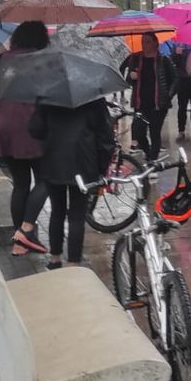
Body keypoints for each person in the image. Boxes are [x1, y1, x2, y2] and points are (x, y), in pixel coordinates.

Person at [0, 20, 50, 255]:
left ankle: (18, 241)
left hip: (5, 126)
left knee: (20, 184)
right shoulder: (43, 61)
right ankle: (26, 230)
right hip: (32, 127)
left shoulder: (4, 60)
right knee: (46, 179)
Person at [29, 93, 114, 269]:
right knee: (77, 215)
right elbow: (105, 135)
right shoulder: (93, 97)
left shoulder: (47, 94)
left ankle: (55, 258)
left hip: (53, 160)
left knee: (57, 211)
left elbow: (35, 129)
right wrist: (101, 167)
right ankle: (74, 261)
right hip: (83, 162)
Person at [128, 45, 176, 161]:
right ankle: (148, 154)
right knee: (139, 132)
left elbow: (174, 79)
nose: (146, 45)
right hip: (141, 104)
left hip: (158, 104)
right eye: (144, 41)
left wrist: (168, 96)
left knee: (155, 132)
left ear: (155, 43)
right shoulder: (136, 59)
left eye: (148, 42)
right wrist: (131, 77)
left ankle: (153, 160)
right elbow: (129, 80)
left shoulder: (163, 59)